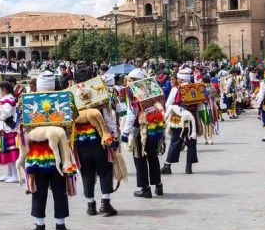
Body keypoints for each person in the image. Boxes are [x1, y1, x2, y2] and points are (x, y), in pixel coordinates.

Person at [23, 71, 74, 230]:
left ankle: (40, 227)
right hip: (58, 153)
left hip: (37, 155)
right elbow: (72, 121)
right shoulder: (65, 99)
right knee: (60, 190)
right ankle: (60, 227)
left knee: (39, 190)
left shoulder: (26, 101)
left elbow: (21, 128)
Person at [73, 70, 118, 217]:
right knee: (105, 170)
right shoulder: (100, 94)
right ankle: (105, 203)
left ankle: (90, 205)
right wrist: (113, 135)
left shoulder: (70, 97)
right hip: (99, 139)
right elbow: (108, 117)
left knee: (86, 172)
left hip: (80, 141)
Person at [120, 68, 165, 198]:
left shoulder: (134, 91)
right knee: (153, 156)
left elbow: (131, 113)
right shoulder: (153, 87)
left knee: (139, 157)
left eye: (130, 79)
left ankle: (145, 188)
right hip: (155, 125)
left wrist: (125, 132)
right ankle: (158, 185)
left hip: (141, 128)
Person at [161, 67, 200, 175]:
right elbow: (200, 105)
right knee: (191, 142)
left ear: (181, 79)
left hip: (178, 119)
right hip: (192, 118)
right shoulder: (196, 88)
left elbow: (168, 104)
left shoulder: (176, 89)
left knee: (175, 141)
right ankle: (188, 167)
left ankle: (167, 166)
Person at [0, 81, 20, 183]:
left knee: (9, 151)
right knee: (4, 150)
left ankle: (14, 175)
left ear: (5, 90)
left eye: (1, 90)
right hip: (4, 126)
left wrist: (0, 116)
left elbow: (6, 113)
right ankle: (9, 174)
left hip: (7, 127)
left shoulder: (8, 100)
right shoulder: (7, 98)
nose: (0, 92)